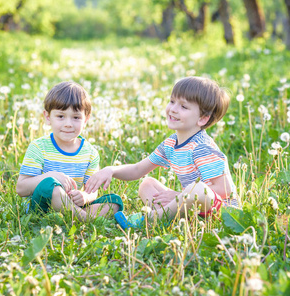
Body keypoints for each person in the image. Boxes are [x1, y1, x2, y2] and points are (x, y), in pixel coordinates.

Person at [85, 76, 238, 229]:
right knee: (147, 184)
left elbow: (225, 189)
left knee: (198, 189)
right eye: (172, 101)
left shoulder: (202, 148)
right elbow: (137, 170)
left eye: (184, 107)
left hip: (223, 213)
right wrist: (110, 170)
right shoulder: (170, 144)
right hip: (193, 207)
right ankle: (170, 217)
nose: (173, 109)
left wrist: (179, 195)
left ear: (203, 119)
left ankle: (150, 219)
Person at [16, 81, 122, 221]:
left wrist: (84, 196)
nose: (68, 124)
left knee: (114, 201)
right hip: (42, 208)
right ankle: (85, 218)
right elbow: (21, 189)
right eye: (61, 116)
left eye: (76, 117)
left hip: (74, 204)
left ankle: (74, 214)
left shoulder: (90, 153)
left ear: (86, 119)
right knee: (51, 186)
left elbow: (92, 190)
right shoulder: (38, 147)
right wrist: (51, 176)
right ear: (48, 117)